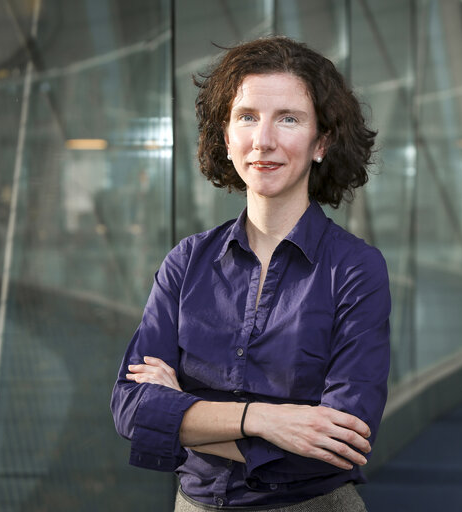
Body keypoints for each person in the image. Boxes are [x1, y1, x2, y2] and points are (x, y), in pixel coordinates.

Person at [110, 36, 390, 511]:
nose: (263, 140)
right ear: (225, 136)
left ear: (321, 141)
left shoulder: (355, 269)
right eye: (247, 117)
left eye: (288, 118)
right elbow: (133, 412)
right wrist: (265, 419)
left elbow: (337, 442)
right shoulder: (187, 261)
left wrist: (184, 414)